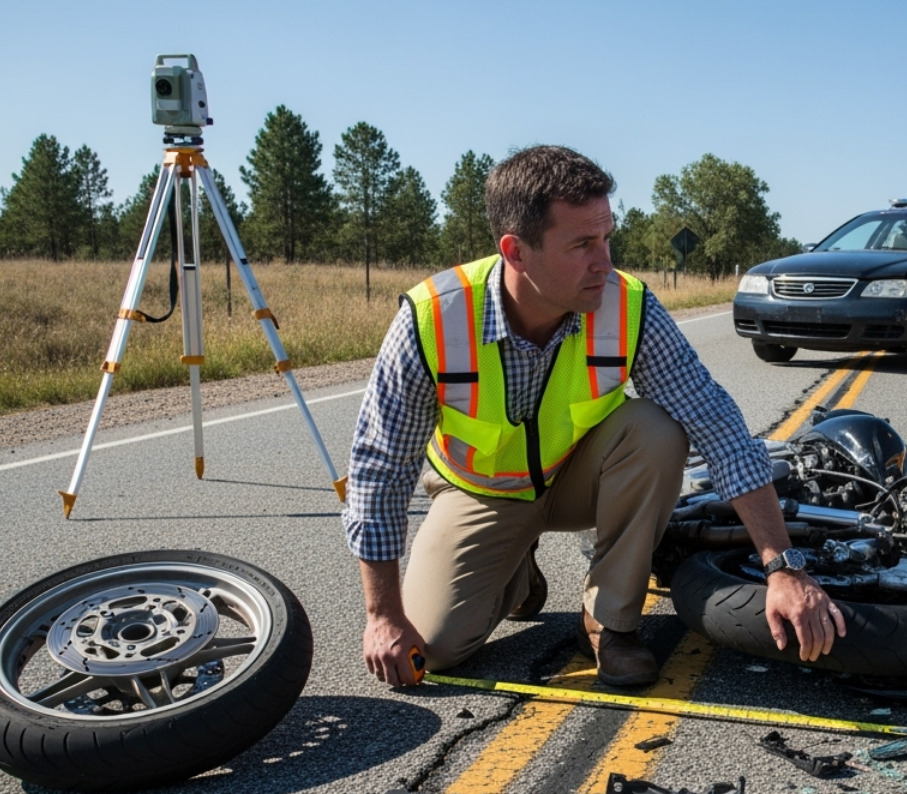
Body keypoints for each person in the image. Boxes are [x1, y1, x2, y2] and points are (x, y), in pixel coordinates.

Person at [345, 145, 844, 688]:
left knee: (656, 428)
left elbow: (717, 427)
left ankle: (610, 623)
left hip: (580, 476)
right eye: (582, 244)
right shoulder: (434, 318)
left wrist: (783, 566)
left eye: (606, 238)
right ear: (516, 251)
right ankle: (512, 570)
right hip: (482, 491)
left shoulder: (627, 305)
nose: (604, 262)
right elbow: (381, 470)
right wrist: (383, 617)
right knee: (433, 650)